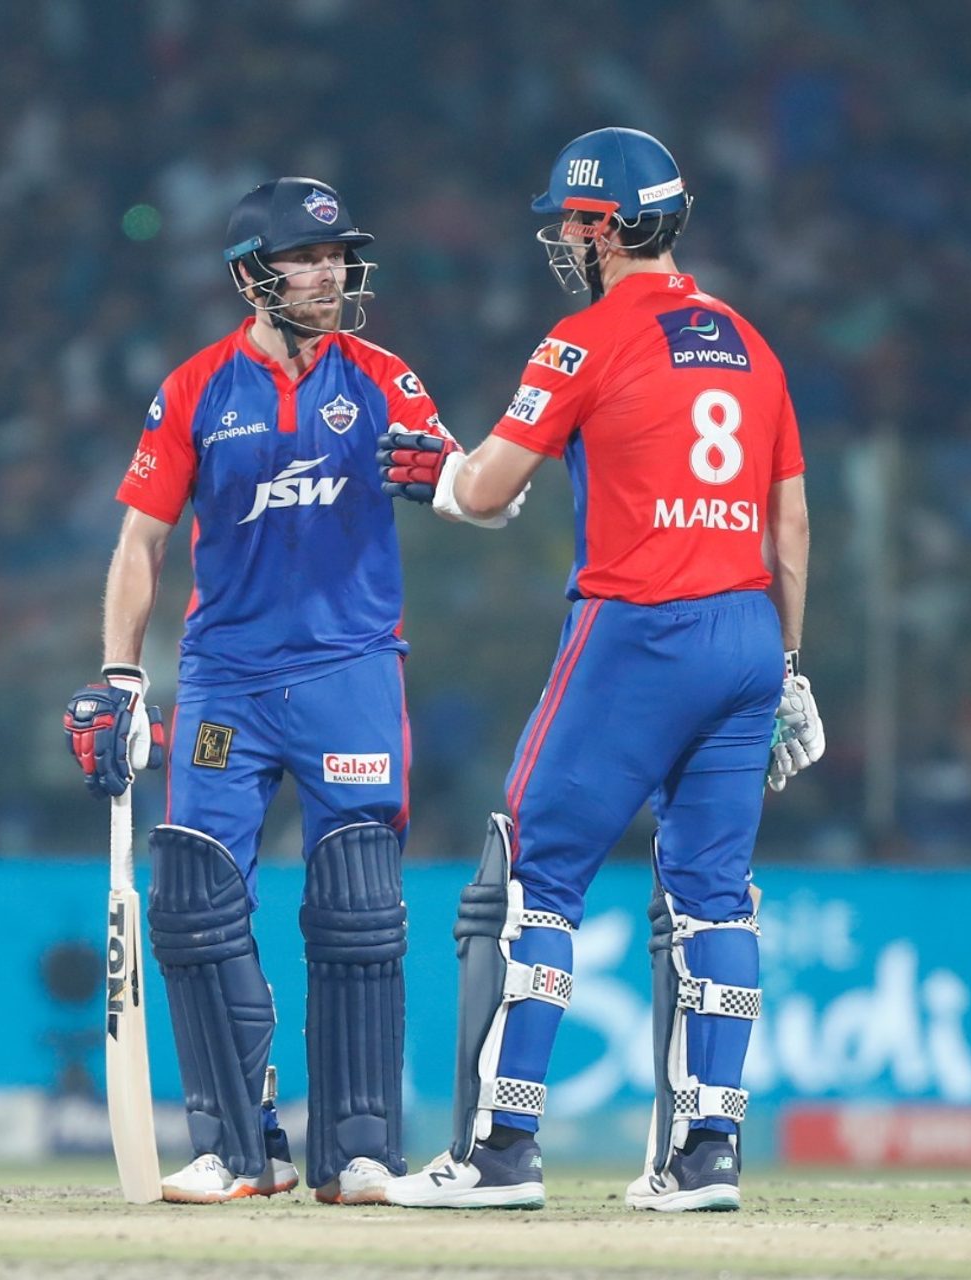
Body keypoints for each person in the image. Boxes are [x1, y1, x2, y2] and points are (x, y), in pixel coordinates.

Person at [378, 128, 824, 1212]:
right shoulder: (752, 344)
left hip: (638, 629)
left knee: (535, 873)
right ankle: (706, 1156)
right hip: (748, 636)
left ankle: (501, 1149)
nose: (565, 241)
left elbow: (487, 489)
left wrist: (439, 476)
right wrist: (790, 666)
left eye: (573, 223)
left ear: (610, 226)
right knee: (715, 897)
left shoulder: (585, 339)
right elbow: (793, 527)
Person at [62, 177, 518, 1206]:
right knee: (194, 898)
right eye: (305, 259)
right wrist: (123, 673)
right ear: (250, 277)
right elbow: (140, 541)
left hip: (350, 671)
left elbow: (468, 489)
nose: (329, 274)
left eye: (337, 256)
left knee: (358, 902)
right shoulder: (194, 389)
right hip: (225, 681)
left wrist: (470, 489)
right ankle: (238, 1148)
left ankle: (359, 1150)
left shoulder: (385, 377)